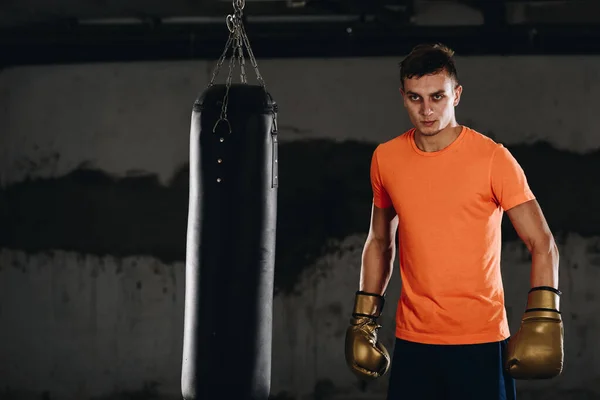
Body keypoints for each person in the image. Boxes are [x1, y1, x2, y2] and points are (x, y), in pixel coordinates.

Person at [344, 43, 564, 400]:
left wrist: (542, 319)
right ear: (403, 96)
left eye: (437, 97)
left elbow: (543, 242)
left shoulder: (493, 158)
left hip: (480, 338)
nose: (427, 110)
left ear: (456, 95)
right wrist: (363, 319)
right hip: (414, 340)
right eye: (415, 98)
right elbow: (380, 242)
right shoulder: (386, 158)